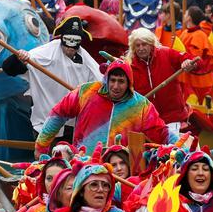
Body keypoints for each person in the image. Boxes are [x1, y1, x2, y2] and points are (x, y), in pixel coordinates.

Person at [34, 58, 172, 156]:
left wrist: (180, 147)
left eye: (121, 82)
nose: (116, 86)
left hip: (121, 171)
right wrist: (41, 145)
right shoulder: (86, 92)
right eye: (113, 80)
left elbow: (161, 132)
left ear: (129, 83)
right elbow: (58, 115)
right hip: (83, 165)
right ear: (106, 79)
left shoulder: (141, 105)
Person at [2, 15, 102, 135]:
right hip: (45, 126)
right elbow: (8, 69)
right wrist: (19, 59)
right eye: (68, 39)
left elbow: (100, 84)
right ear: (62, 38)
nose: (71, 47)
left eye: (76, 41)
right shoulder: (45, 54)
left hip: (73, 128)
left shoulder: (86, 60)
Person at [126, 27, 199, 132]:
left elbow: (191, 59)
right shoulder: (129, 64)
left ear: (151, 45)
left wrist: (187, 61)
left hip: (172, 117)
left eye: (144, 44)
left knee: (169, 146)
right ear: (133, 47)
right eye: (138, 45)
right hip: (146, 119)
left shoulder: (166, 53)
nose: (141, 48)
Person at [177, 5, 213, 106]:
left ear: (189, 18)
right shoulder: (185, 32)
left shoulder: (199, 35)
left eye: (186, 13)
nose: (184, 15)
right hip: (187, 79)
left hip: (199, 83)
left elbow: (195, 60)